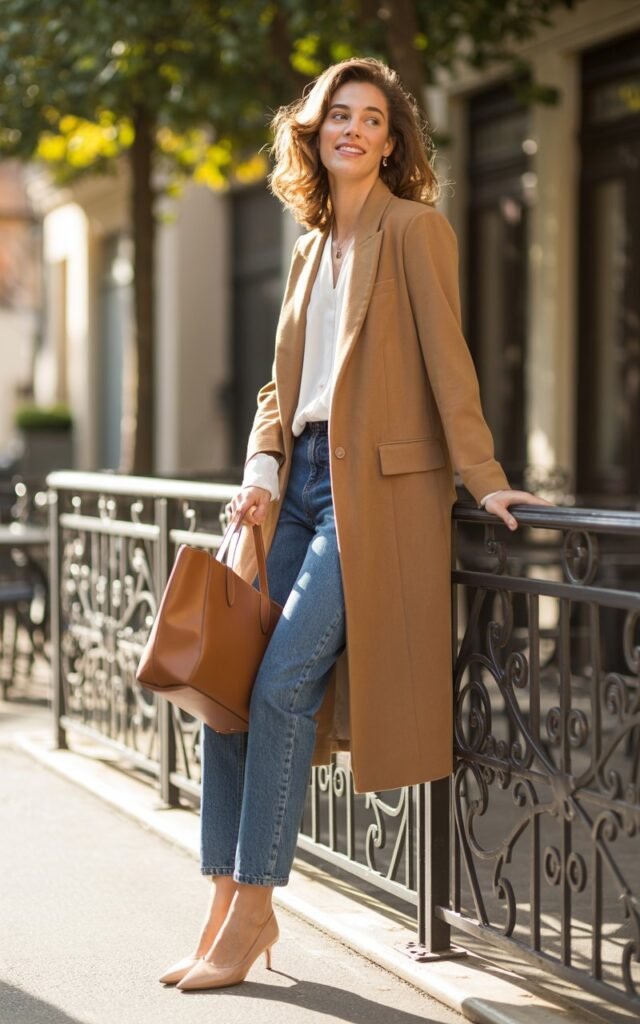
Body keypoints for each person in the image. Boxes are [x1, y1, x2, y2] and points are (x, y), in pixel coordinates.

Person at [160, 56, 553, 993]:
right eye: (340, 114)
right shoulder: (308, 247)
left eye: (373, 119)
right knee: (229, 689)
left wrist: (485, 479)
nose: (355, 129)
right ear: (315, 130)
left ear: (390, 142)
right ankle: (221, 897)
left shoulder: (415, 230)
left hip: (370, 496)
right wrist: (260, 474)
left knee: (281, 685)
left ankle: (256, 909)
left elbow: (449, 363)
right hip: (294, 486)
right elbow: (279, 388)